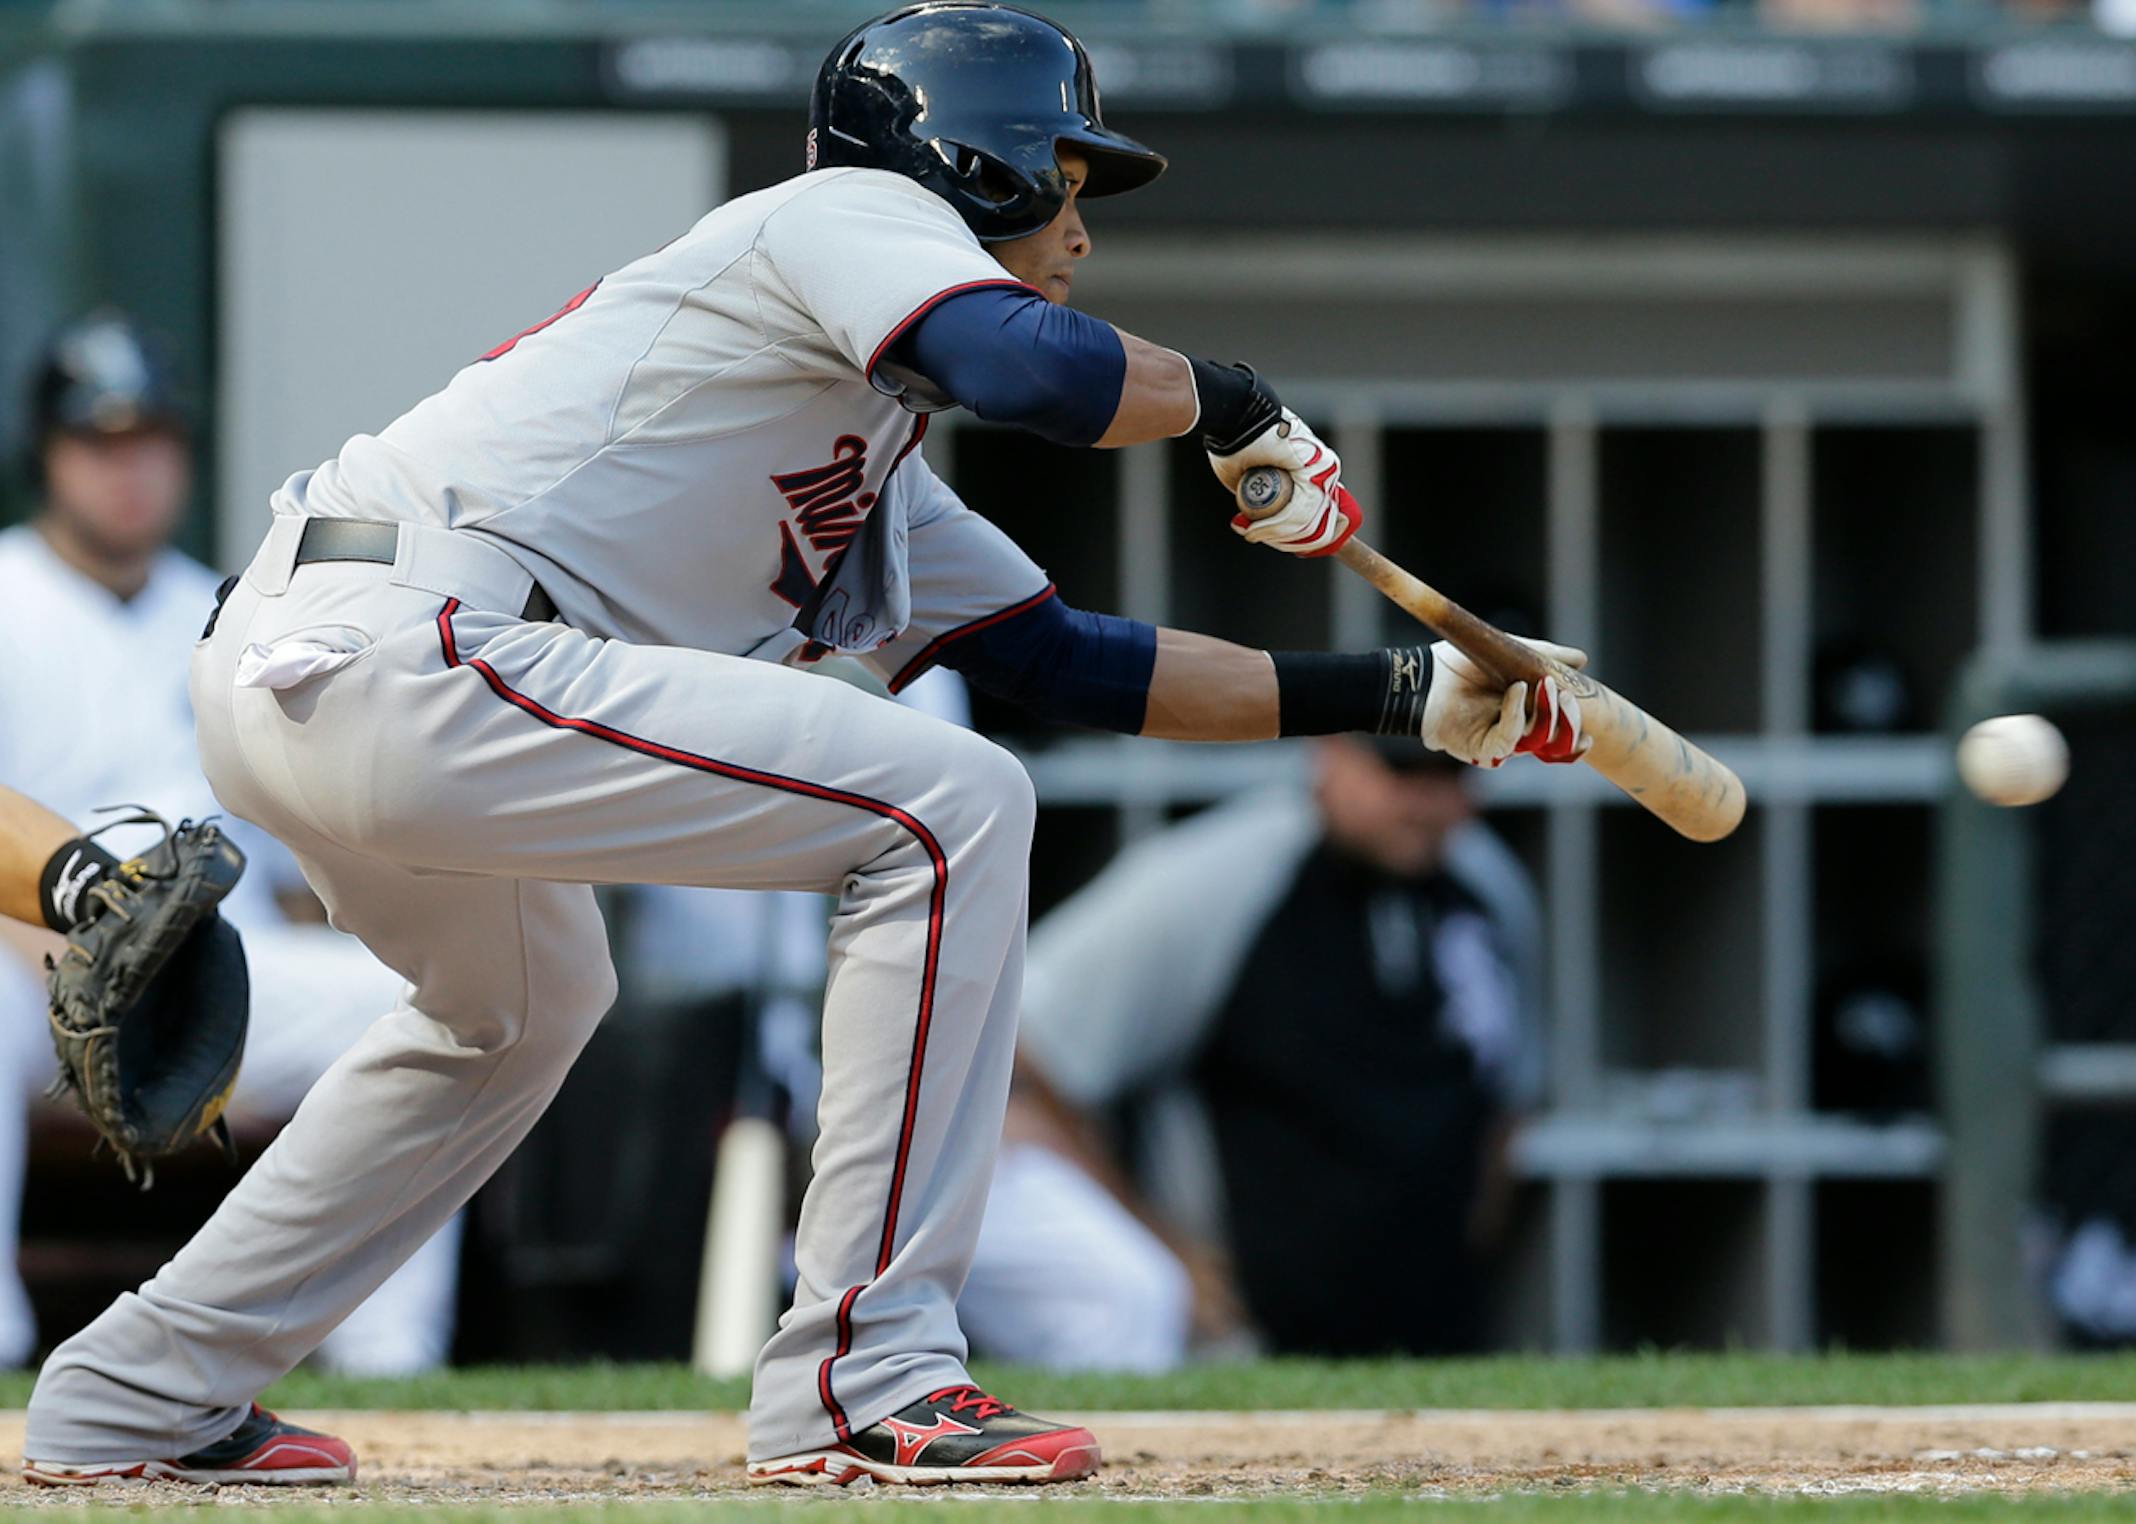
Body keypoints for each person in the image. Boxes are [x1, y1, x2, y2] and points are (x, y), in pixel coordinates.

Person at [22, 2, 1587, 1490]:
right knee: (949, 803)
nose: (1082, 231)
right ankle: (868, 1375)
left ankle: (140, 1392)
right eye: (1062, 182)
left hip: (345, 670)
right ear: (968, 163)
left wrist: (1398, 697)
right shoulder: (833, 216)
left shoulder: (865, 445)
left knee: (526, 1005)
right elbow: (1029, 371)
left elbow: (1071, 661)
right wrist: (1231, 405)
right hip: (411, 640)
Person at [0, 312, 460, 1380]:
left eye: (151, 441)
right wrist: (64, 958)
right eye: (102, 444)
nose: (131, 471)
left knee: (419, 1005)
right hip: (31, 973)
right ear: (49, 454)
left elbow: (297, 864)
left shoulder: (229, 616)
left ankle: (392, 1360)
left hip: (215, 969)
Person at [959, 737, 1541, 1369]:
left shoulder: (1484, 885)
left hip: (1435, 1325)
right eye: (1401, 771)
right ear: (1333, 754)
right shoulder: (1223, 875)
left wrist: (1477, 1228)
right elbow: (1028, 1046)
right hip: (1250, 1332)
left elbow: (1511, 1090)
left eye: (1453, 775)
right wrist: (1161, 1249)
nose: (1428, 801)